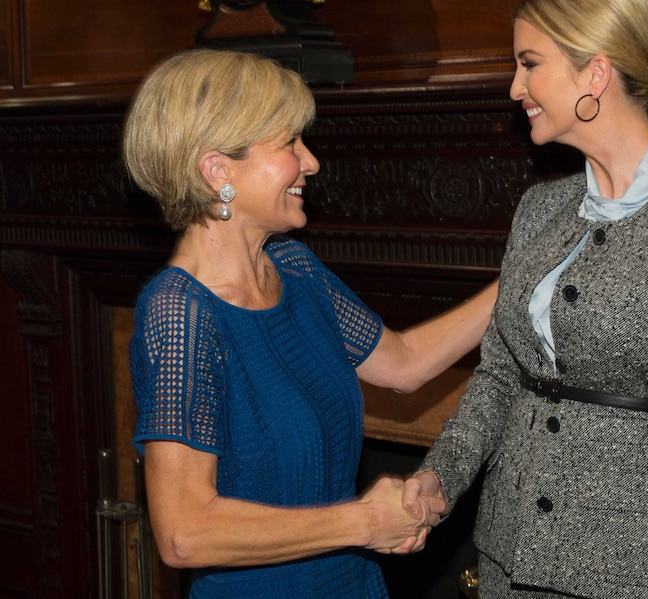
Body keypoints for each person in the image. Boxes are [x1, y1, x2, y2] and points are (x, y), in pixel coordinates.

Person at [404, 0, 648, 599]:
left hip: (634, 576)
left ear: (595, 73)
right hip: (506, 556)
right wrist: (442, 475)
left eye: (529, 63)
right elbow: (500, 376)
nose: (514, 86)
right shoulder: (538, 212)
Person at [122, 48, 498, 599]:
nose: (312, 161)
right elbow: (184, 533)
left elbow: (404, 363)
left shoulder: (295, 268)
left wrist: (524, 277)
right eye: (290, 144)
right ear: (217, 169)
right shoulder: (179, 312)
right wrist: (365, 522)